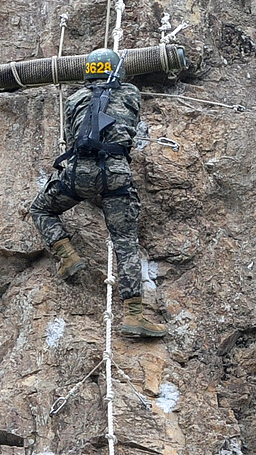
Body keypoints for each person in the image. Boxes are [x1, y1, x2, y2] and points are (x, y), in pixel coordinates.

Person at [29, 48, 165, 338]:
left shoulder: (74, 98)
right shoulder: (130, 93)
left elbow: (70, 132)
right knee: (125, 241)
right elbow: (131, 123)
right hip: (116, 174)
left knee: (41, 208)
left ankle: (67, 255)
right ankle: (134, 315)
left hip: (79, 173)